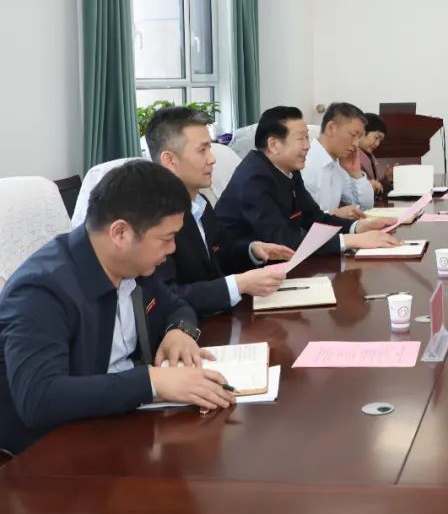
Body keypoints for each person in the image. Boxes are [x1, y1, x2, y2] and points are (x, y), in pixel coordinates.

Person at [0, 161, 236, 455]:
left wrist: (179, 332)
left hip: (120, 421)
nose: (173, 249)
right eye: (166, 239)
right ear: (121, 233)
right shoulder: (41, 290)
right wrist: (152, 381)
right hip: (54, 452)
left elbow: (177, 305)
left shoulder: (133, 265)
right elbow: (39, 399)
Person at [144, 106, 295, 318]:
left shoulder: (200, 203)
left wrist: (252, 250)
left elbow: (222, 252)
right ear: (170, 160)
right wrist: (238, 285)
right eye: (202, 150)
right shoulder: (152, 219)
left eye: (210, 148)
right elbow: (165, 297)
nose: (212, 159)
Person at [215, 106, 401, 254]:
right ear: (274, 145)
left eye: (307, 138)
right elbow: (284, 241)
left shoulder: (289, 170)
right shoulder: (253, 179)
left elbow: (314, 218)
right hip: (242, 274)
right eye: (301, 139)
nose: (307, 146)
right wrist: (352, 240)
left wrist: (358, 227)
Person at [305, 102, 377, 216]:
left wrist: (355, 173)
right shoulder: (305, 164)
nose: (356, 144)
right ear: (331, 128)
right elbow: (301, 219)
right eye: (353, 135)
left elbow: (365, 207)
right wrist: (335, 214)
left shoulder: (337, 166)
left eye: (359, 137)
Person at [350, 112, 390, 200]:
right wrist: (367, 185)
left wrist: (387, 179)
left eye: (380, 140)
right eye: (376, 137)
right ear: (363, 131)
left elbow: (377, 187)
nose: (377, 143)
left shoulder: (371, 157)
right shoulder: (348, 154)